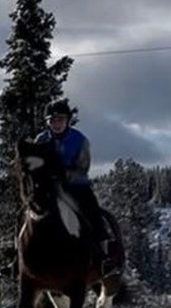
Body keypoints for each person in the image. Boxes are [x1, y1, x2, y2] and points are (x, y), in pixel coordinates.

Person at [34, 97, 119, 275]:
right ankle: (18, 259)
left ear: (67, 120)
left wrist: (64, 175)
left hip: (75, 187)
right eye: (53, 120)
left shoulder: (80, 140)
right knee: (26, 213)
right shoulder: (40, 140)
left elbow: (83, 167)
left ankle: (104, 258)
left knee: (93, 212)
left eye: (60, 120)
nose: (56, 124)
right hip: (49, 189)